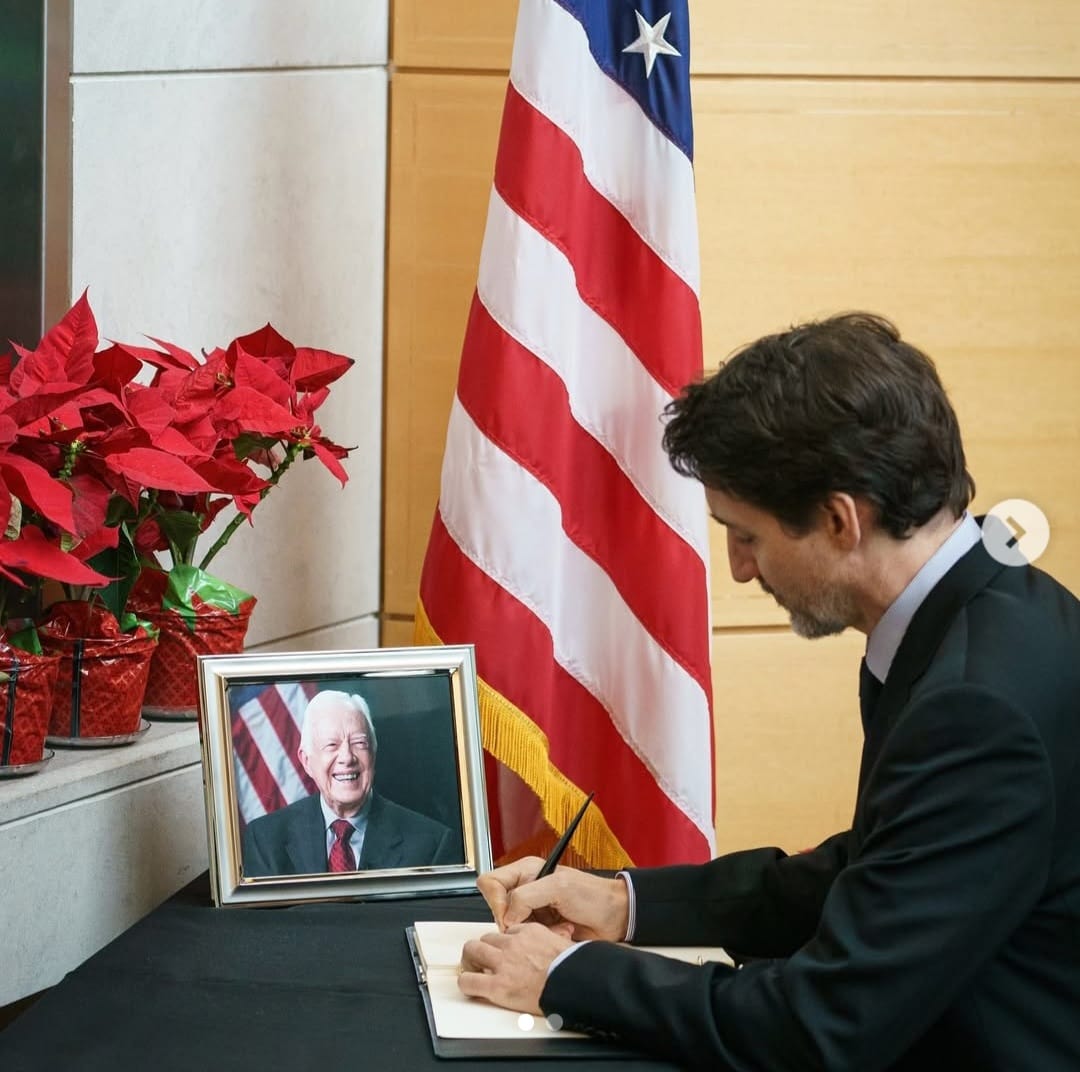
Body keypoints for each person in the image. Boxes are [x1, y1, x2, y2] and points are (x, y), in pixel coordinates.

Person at [456, 313, 1080, 1070]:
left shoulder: (976, 705)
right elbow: (883, 866)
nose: (741, 570)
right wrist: (625, 905)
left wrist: (564, 975)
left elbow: (825, 1025)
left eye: (746, 536)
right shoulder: (996, 607)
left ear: (839, 519)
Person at [242, 690, 461, 875]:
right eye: (332, 745)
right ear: (306, 762)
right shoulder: (264, 841)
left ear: (373, 755)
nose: (347, 757)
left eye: (359, 743)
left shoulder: (432, 845)